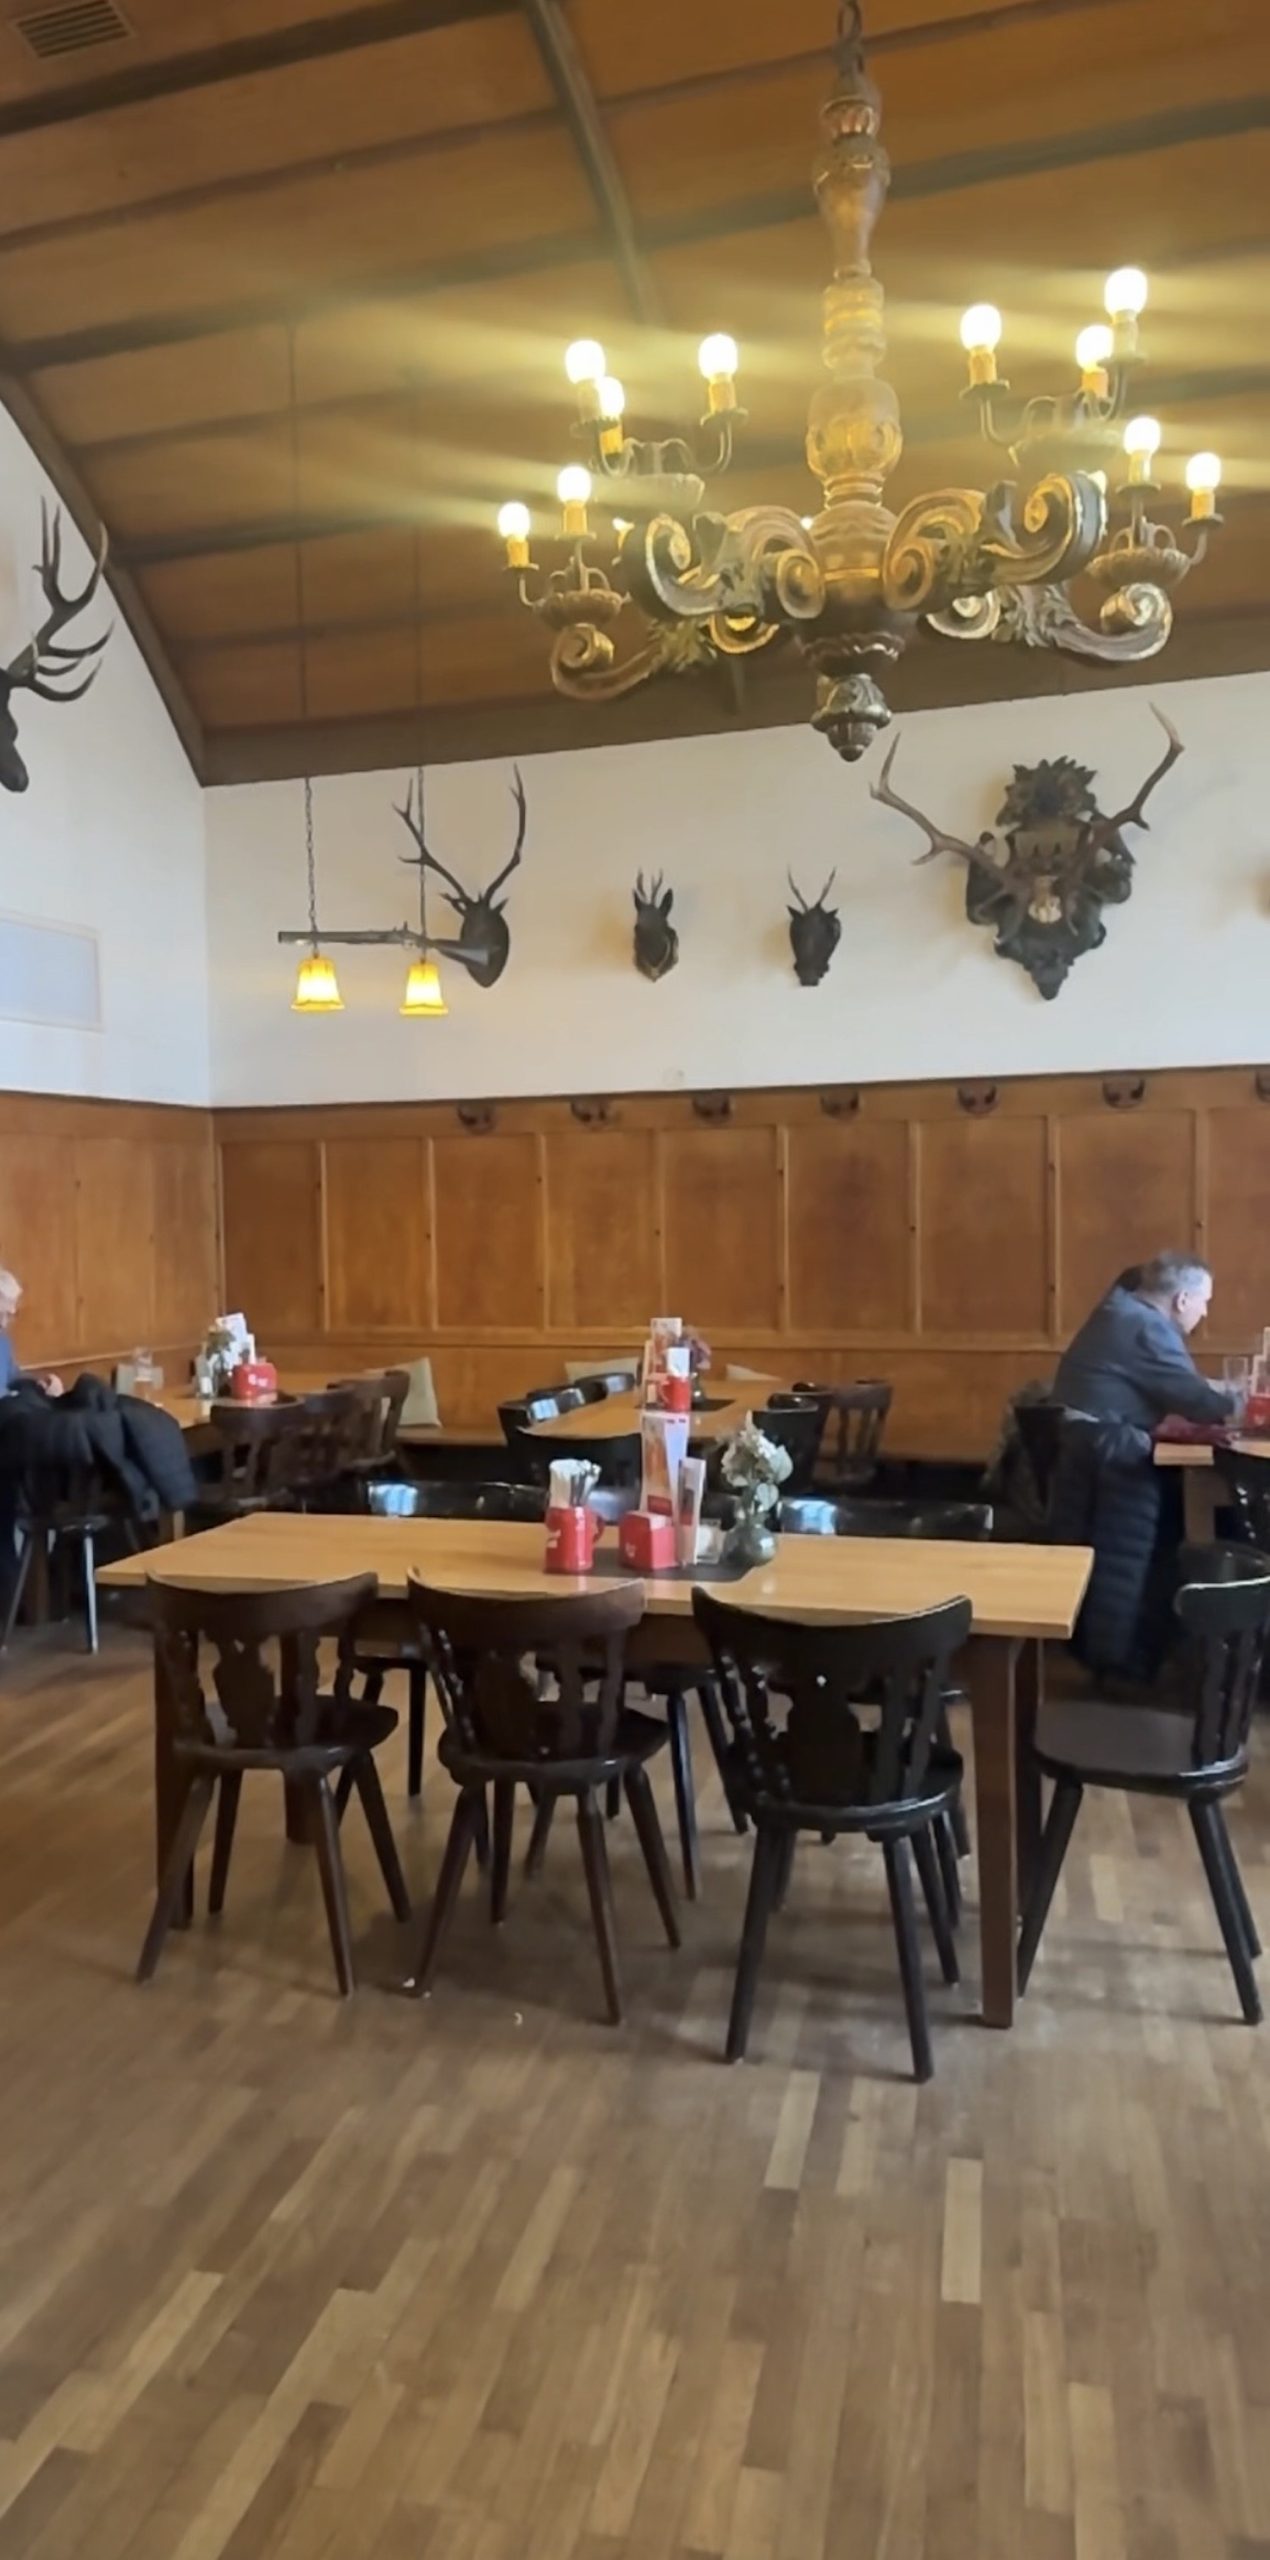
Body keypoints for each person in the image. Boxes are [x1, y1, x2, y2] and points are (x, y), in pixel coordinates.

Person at [1053, 1252, 1233, 1432]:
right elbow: (1196, 1401)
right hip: (1100, 1441)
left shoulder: (1124, 1308)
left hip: (1081, 1435)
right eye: (1204, 1301)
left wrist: (1225, 1388)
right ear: (1182, 1300)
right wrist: (1242, 1407)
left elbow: (1177, 1383)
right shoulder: (1148, 1327)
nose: (1204, 1312)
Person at [0, 1269, 62, 1398]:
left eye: (9, 1315)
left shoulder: (3, 1342)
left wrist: (39, 1384)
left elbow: (13, 1376)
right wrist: (11, 1396)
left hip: (14, 1405)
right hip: (9, 1406)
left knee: (89, 1387)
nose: (4, 1324)